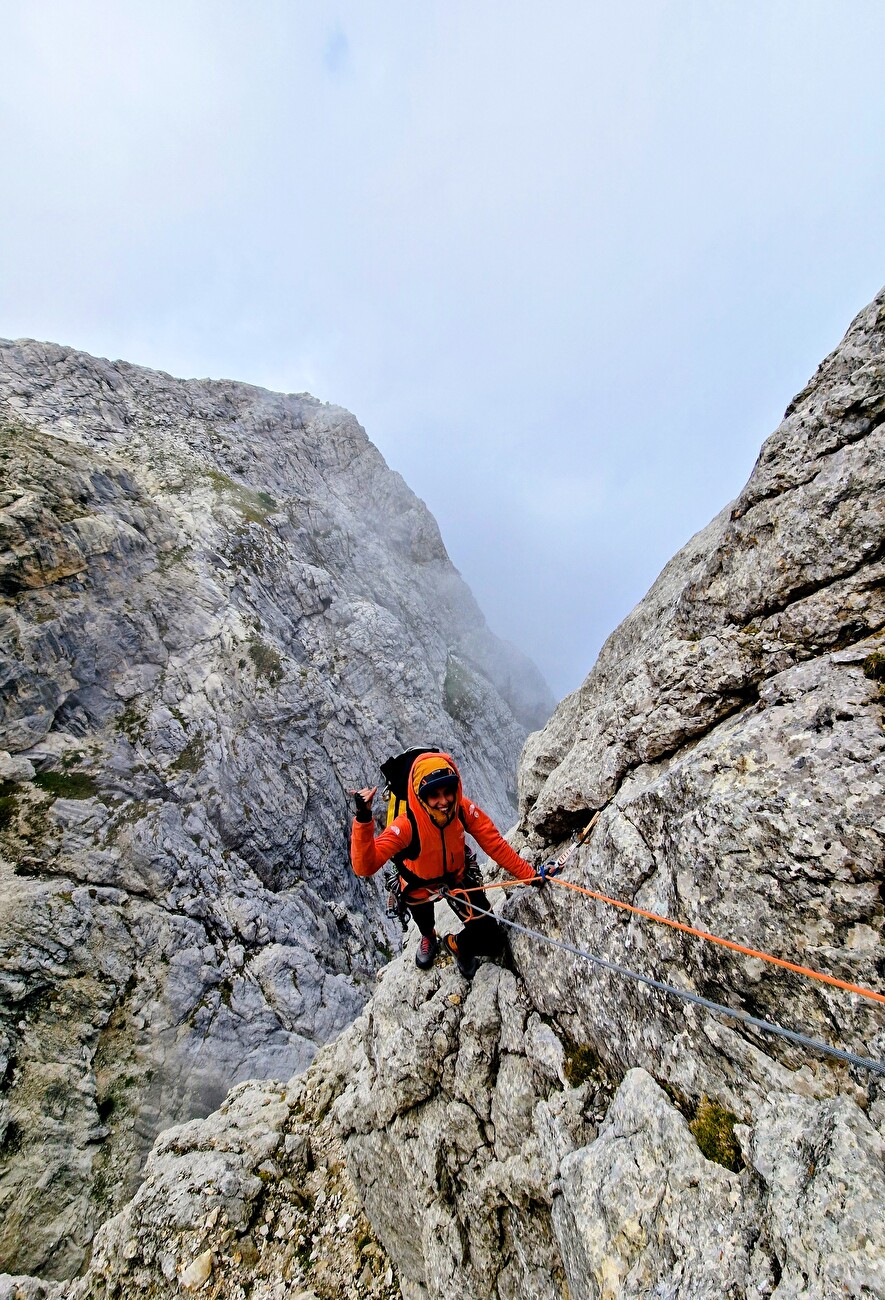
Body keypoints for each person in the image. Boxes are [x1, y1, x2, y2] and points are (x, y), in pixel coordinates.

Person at [350, 751, 536, 979]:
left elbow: (495, 845)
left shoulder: (461, 808)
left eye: (448, 792)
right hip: (417, 885)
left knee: (492, 941)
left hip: (456, 876)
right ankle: (429, 937)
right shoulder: (406, 825)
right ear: (420, 796)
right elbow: (364, 867)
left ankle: (457, 945)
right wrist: (363, 818)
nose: (444, 801)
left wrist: (531, 876)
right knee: (424, 921)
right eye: (434, 795)